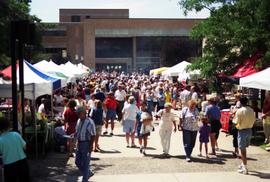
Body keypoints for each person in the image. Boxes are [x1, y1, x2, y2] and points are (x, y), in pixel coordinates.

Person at [0, 117, 31, 182]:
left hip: (9, 166)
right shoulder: (16, 134)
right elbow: (25, 147)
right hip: (23, 163)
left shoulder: (1, 140)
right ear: (9, 126)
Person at [233, 97, 255, 175]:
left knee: (243, 150)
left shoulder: (239, 111)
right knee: (244, 148)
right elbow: (253, 119)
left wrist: (233, 116)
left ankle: (245, 168)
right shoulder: (251, 110)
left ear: (241, 103)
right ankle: (243, 164)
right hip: (249, 130)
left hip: (242, 131)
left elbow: (235, 121)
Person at [74, 107, 96, 182]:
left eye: (79, 114)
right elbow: (77, 131)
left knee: (86, 163)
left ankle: (85, 179)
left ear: (84, 113)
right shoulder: (79, 120)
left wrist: (91, 146)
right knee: (77, 162)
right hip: (79, 143)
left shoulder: (90, 122)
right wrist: (74, 134)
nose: (78, 115)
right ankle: (88, 173)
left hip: (86, 143)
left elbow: (93, 135)